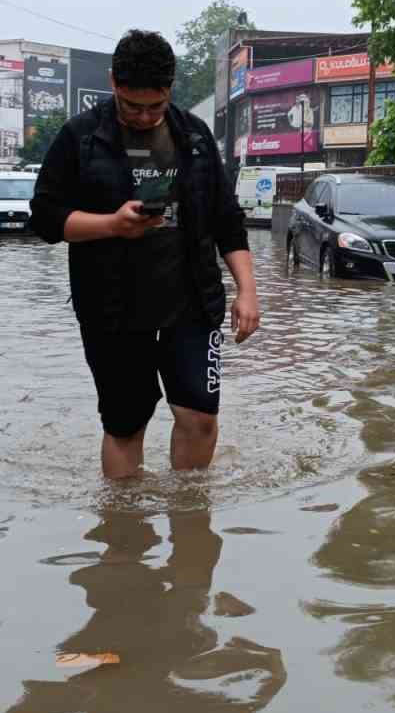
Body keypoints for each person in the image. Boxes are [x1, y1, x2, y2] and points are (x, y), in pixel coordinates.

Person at [32, 29, 260, 479]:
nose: (142, 116)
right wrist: (112, 225)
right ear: (113, 82)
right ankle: (125, 538)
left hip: (192, 303)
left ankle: (190, 523)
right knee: (125, 426)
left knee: (200, 419)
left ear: (169, 89)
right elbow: (45, 218)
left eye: (154, 106)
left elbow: (226, 220)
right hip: (111, 309)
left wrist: (247, 291)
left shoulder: (194, 138)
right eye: (131, 106)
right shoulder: (81, 138)